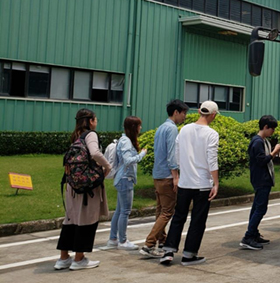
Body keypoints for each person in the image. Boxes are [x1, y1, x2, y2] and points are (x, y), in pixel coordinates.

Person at [160, 101, 220, 266]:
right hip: (202, 184)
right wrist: (216, 182)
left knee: (178, 217)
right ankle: (189, 255)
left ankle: (168, 251)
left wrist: (180, 173)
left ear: (200, 111)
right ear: (213, 115)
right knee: (198, 219)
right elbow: (212, 160)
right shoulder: (211, 134)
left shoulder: (184, 130)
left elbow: (177, 154)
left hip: (185, 183)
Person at [55, 108, 111, 271]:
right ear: (91, 121)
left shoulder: (75, 136)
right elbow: (95, 152)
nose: (96, 122)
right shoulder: (90, 135)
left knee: (71, 220)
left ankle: (63, 258)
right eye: (95, 119)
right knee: (86, 220)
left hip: (72, 185)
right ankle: (79, 259)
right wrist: (107, 165)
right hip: (88, 187)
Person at [140, 99, 188, 258]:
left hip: (158, 174)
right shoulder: (172, 129)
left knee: (161, 210)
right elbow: (172, 155)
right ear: (176, 112)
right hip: (167, 175)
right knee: (167, 212)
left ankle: (162, 241)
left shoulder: (161, 128)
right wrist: (176, 176)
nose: (184, 117)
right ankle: (149, 244)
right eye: (183, 113)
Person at [240, 115, 280, 250]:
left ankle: (253, 233)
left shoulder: (262, 140)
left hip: (263, 178)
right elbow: (261, 161)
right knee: (260, 209)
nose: (273, 132)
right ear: (265, 127)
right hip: (261, 179)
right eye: (272, 129)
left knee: (256, 208)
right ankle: (248, 237)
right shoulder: (257, 142)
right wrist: (274, 152)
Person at [106, 117, 147, 250]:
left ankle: (113, 238)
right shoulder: (126, 141)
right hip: (125, 179)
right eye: (139, 126)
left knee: (119, 210)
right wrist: (141, 155)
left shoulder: (125, 140)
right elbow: (128, 160)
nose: (140, 128)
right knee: (125, 211)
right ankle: (122, 241)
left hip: (123, 179)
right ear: (134, 127)